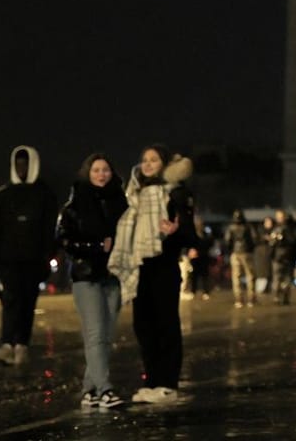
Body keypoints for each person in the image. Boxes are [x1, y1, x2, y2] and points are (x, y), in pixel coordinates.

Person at [109, 144, 196, 405]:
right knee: (143, 326)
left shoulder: (176, 194)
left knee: (166, 325)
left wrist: (174, 232)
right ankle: (151, 381)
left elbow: (190, 235)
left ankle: (168, 383)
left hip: (164, 266)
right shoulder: (133, 194)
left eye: (154, 160)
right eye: (144, 160)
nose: (147, 164)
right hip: (140, 268)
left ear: (165, 164)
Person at [59, 152, 130, 409]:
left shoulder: (121, 202)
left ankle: (89, 389)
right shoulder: (75, 204)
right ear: (87, 173)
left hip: (113, 275)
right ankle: (104, 389)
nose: (102, 174)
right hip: (86, 276)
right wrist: (96, 245)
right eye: (96, 169)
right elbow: (64, 240)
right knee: (95, 333)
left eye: (106, 169)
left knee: (106, 336)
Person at [0, 145, 55, 365]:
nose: (21, 169)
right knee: (10, 301)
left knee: (27, 302)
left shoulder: (44, 194)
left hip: (33, 259)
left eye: (25, 164)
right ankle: (8, 342)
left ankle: (22, 344)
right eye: (18, 164)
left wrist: (47, 256)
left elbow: (48, 229)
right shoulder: (4, 194)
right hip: (9, 259)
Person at [223, 210, 257, 307]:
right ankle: (251, 298)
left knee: (236, 276)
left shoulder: (231, 227)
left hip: (235, 252)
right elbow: (254, 238)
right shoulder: (248, 227)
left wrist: (231, 250)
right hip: (247, 252)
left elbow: (227, 240)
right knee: (250, 275)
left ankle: (239, 299)